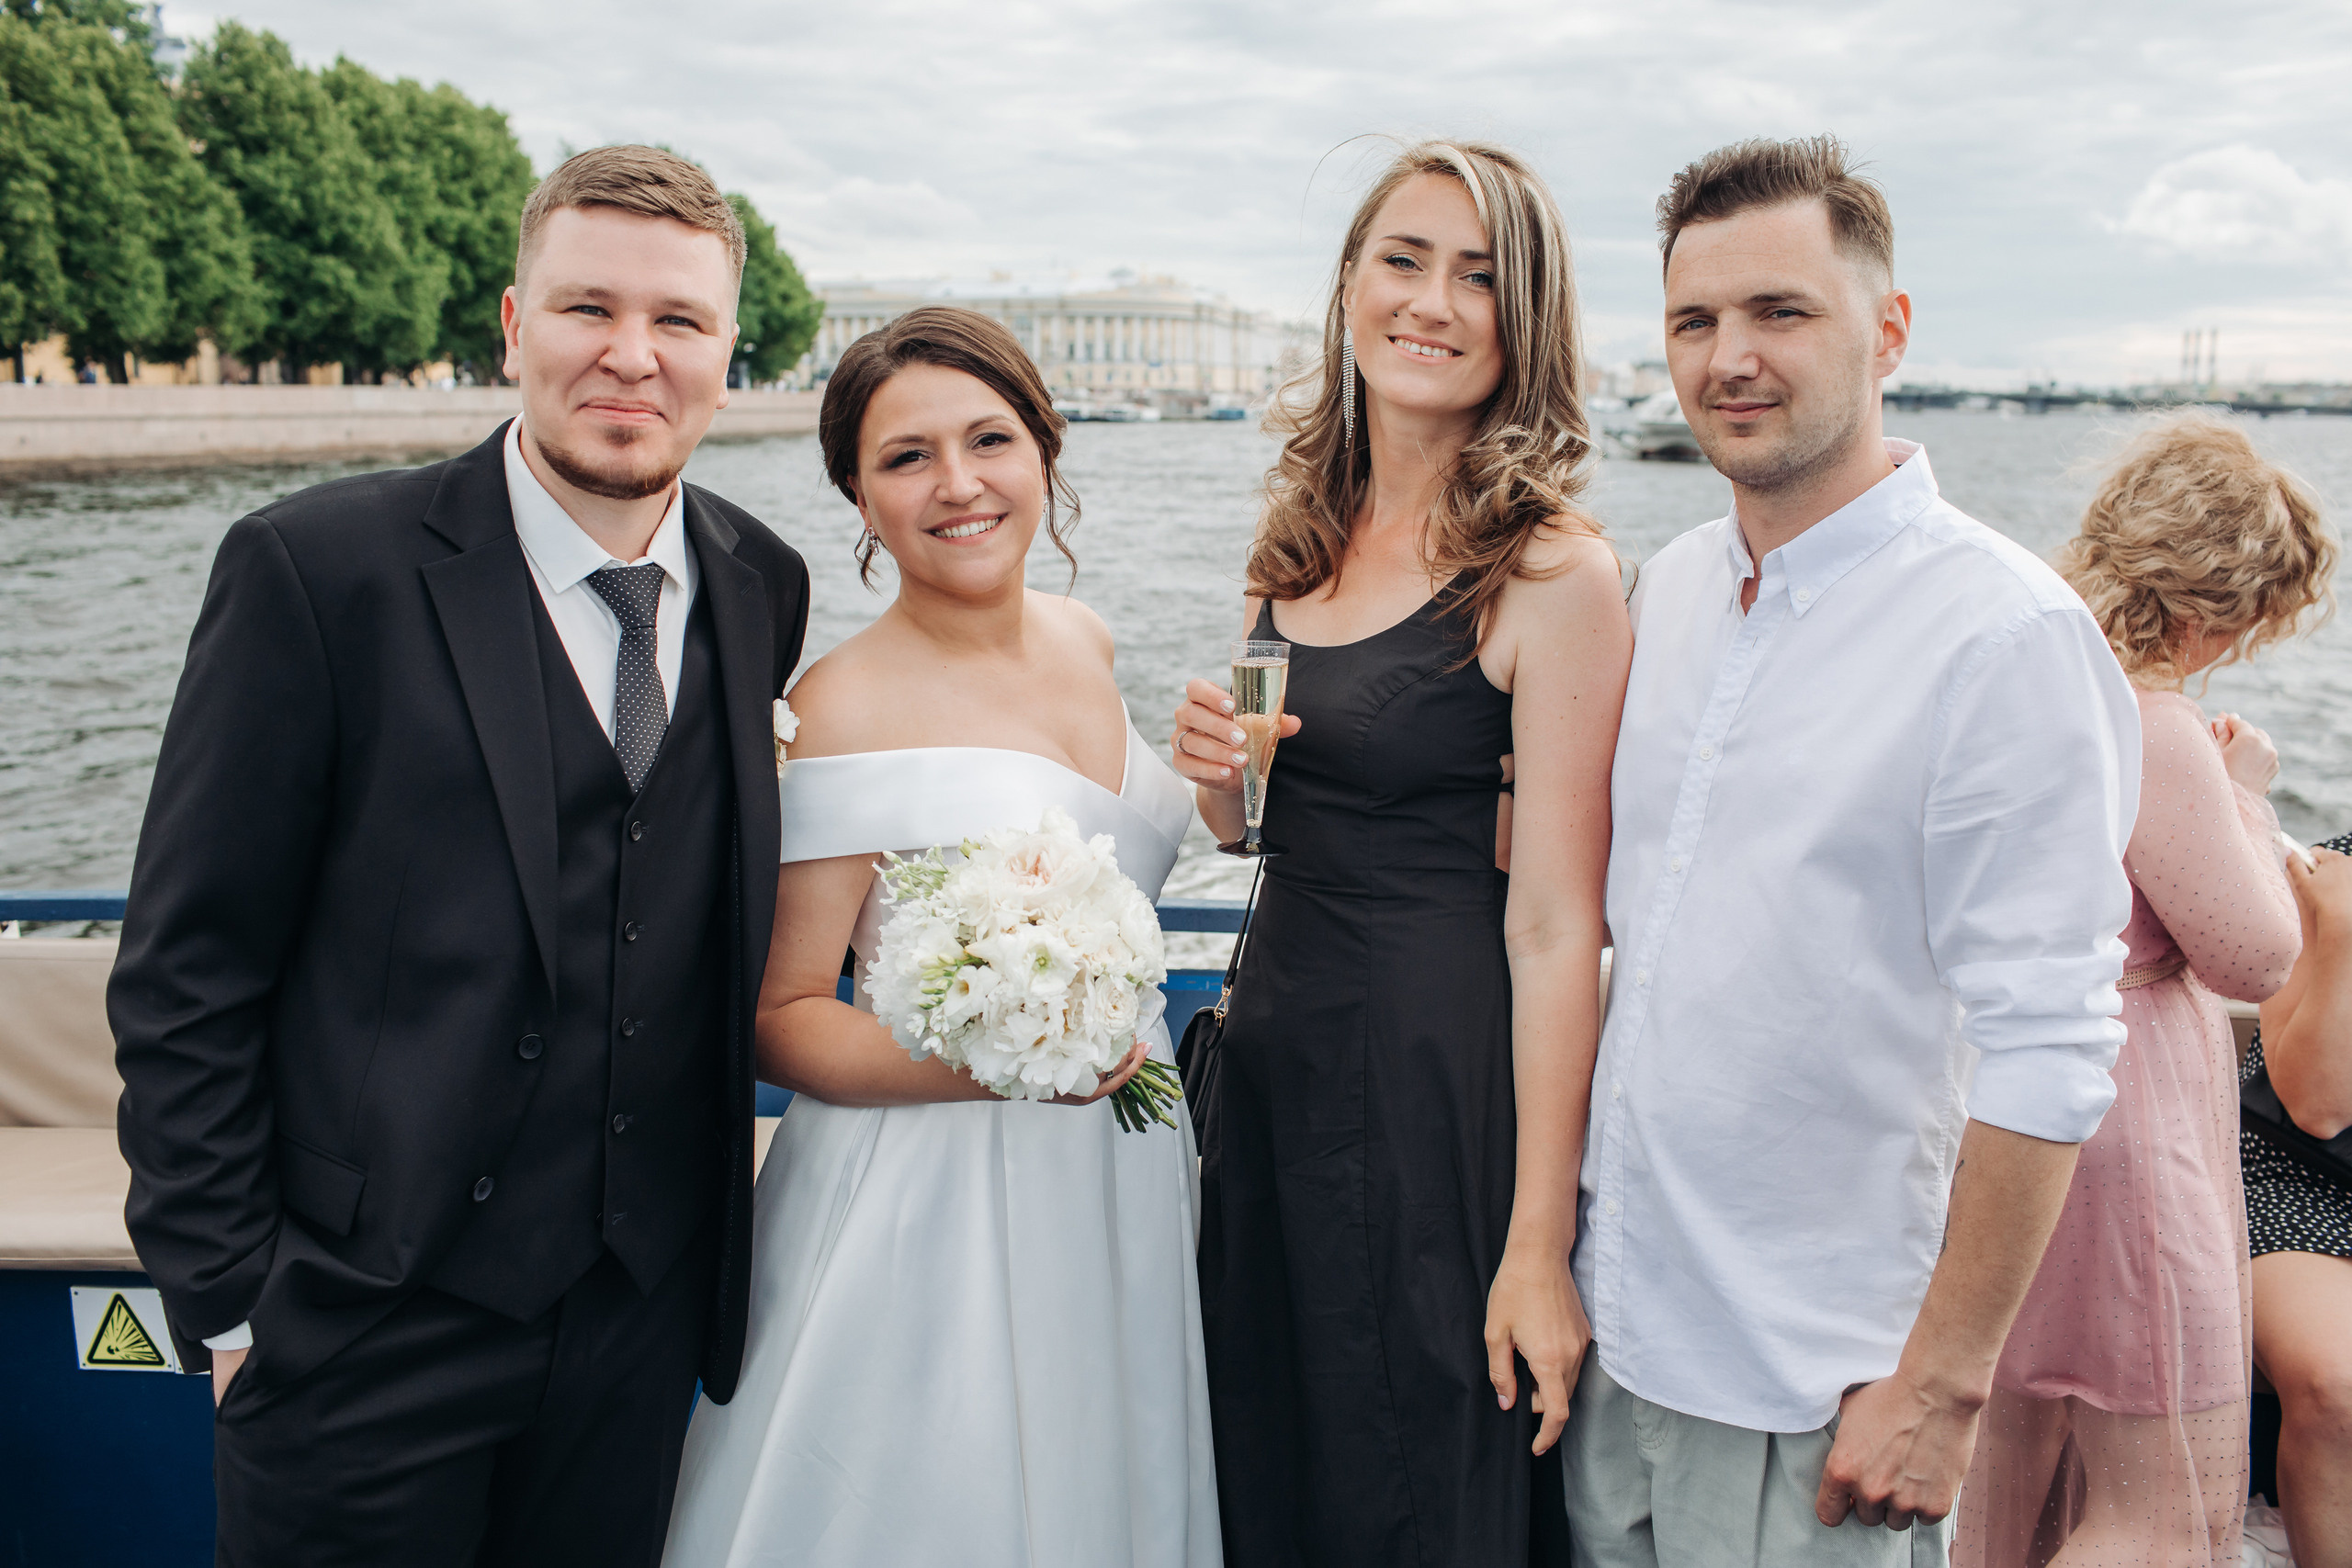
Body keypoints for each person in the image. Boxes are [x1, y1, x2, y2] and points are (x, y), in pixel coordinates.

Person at [109, 146, 809, 1565]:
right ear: (512, 324)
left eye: (678, 319)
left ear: (729, 352)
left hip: (635, 1323)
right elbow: (189, 965)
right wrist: (236, 1304)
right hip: (358, 1326)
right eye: (588, 307)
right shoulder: (317, 572)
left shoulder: (761, 583)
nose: (633, 355)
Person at [1559, 135, 2143, 1568]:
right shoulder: (1671, 588)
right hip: (1618, 1333)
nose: (1729, 358)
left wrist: (1942, 1386)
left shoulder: (2004, 634)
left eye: (1781, 311)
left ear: (1888, 329)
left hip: (1816, 1379)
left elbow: (2052, 1040)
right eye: (1694, 320)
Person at [662, 306, 1219, 1567]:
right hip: (935, 1198)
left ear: (1044, 449)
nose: (958, 484)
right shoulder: (837, 706)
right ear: (859, 498)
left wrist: (1226, 790)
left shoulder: (1087, 637)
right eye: (906, 457)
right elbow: (782, 1013)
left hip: (1119, 1168)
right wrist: (1009, 1062)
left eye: (989, 439)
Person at [1171, 139, 1629, 1566]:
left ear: (1524, 318)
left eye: (1477, 277)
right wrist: (1218, 777)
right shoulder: (1292, 540)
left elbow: (1556, 925)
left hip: (1435, 1080)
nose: (1430, 302)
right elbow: (1255, 827)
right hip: (1276, 1058)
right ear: (1349, 285)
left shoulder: (1550, 569)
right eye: (1403, 260)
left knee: (1415, 1467)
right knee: (1274, 1453)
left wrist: (1538, 1240)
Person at [1954, 413, 2329, 1565]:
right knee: (2158, 1510)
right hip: (2131, 1119)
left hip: (2007, 1101)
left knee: (2015, 1464)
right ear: (2218, 606)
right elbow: (2255, 958)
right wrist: (2244, 791)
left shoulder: (2022, 680)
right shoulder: (2155, 727)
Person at [2249, 843, 2352, 1568]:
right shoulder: (2327, 875)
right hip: (2298, 1181)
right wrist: (2344, 933)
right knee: (2337, 1383)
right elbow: (2318, 1105)